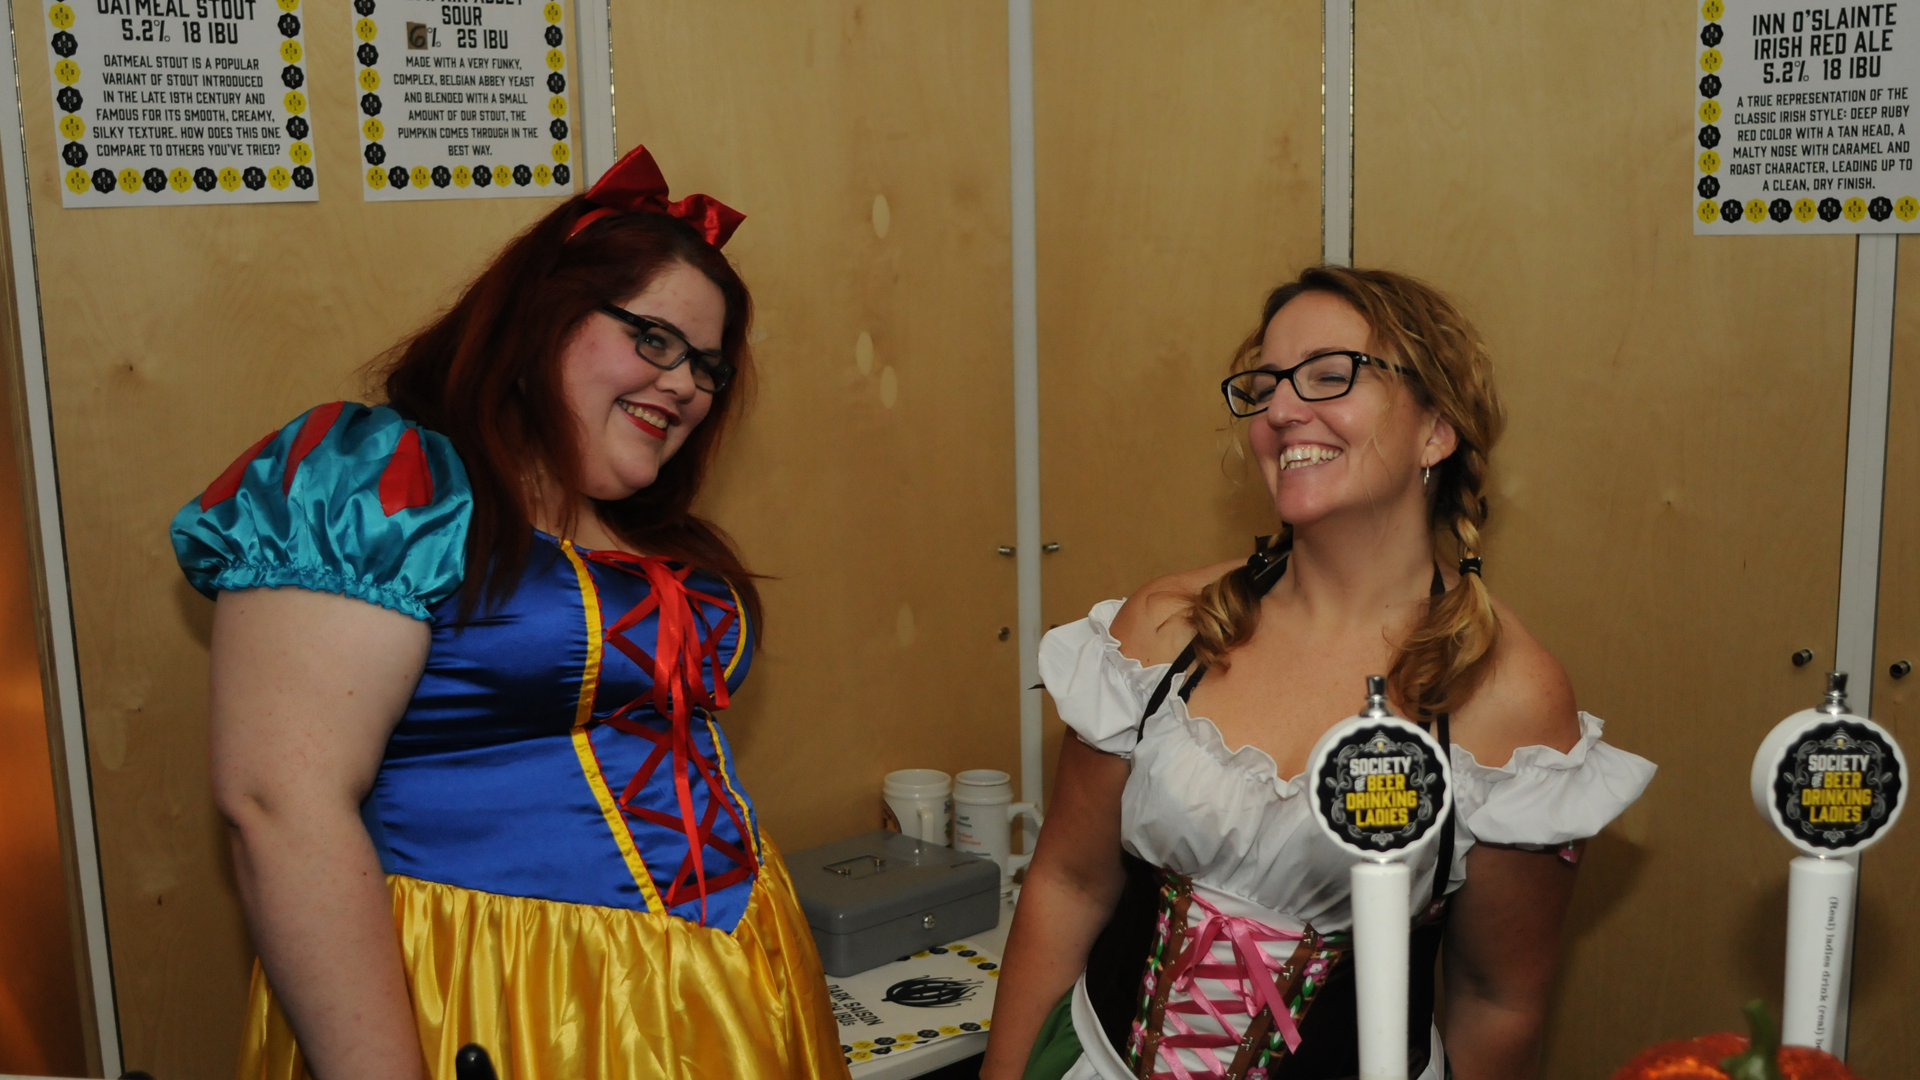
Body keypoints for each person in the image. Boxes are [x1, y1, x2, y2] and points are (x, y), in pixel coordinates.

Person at [172, 146, 849, 1080]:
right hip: (498, 995)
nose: (686, 383)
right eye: (654, 339)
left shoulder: (648, 531)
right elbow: (277, 804)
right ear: (544, 315)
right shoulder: (380, 483)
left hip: (724, 991)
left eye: (707, 365)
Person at [982, 267, 1656, 1080]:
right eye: (1265, 384)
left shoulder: (1508, 695)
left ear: (1437, 430)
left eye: (1332, 375)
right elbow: (1067, 885)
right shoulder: (1167, 629)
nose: (1280, 410)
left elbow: (1495, 1001)